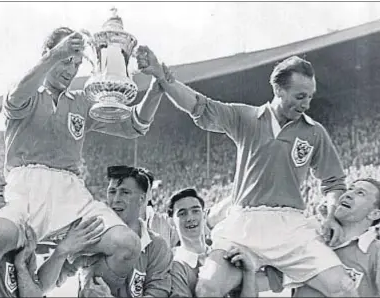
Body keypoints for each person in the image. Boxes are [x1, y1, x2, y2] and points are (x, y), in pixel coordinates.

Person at [136, 46, 358, 297]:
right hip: (244, 225)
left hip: (292, 228)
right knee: (207, 288)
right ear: (278, 90)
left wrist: (331, 215)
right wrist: (163, 78)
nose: (306, 104)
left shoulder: (314, 132)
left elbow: (334, 182)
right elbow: (200, 107)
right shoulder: (247, 118)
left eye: (310, 96)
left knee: (345, 288)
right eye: (299, 97)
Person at [0, 27, 164, 292]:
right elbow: (15, 98)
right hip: (26, 191)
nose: (70, 69)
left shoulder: (82, 103)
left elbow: (134, 125)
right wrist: (54, 55)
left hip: (70, 195)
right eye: (65, 60)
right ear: (47, 55)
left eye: (76, 63)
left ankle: (88, 288)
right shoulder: (27, 95)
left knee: (127, 245)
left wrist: (157, 88)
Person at [0, 149, 105, 297]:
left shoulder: (17, 234)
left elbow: (35, 293)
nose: (3, 182)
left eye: (0, 176)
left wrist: (22, 267)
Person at [77, 165, 173, 297]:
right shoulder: (93, 236)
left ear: (142, 199)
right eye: (112, 191)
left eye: (125, 192)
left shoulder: (157, 247)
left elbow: (158, 293)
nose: (116, 199)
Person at [168, 188, 271, 297]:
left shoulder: (226, 254)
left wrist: (248, 272)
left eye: (195, 211)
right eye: (182, 214)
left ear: (204, 215)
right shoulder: (176, 267)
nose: (190, 218)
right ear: (171, 221)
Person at [293, 178, 380, 297]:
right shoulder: (314, 236)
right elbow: (269, 279)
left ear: (374, 214)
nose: (348, 194)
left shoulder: (375, 251)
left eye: (360, 193)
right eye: (350, 189)